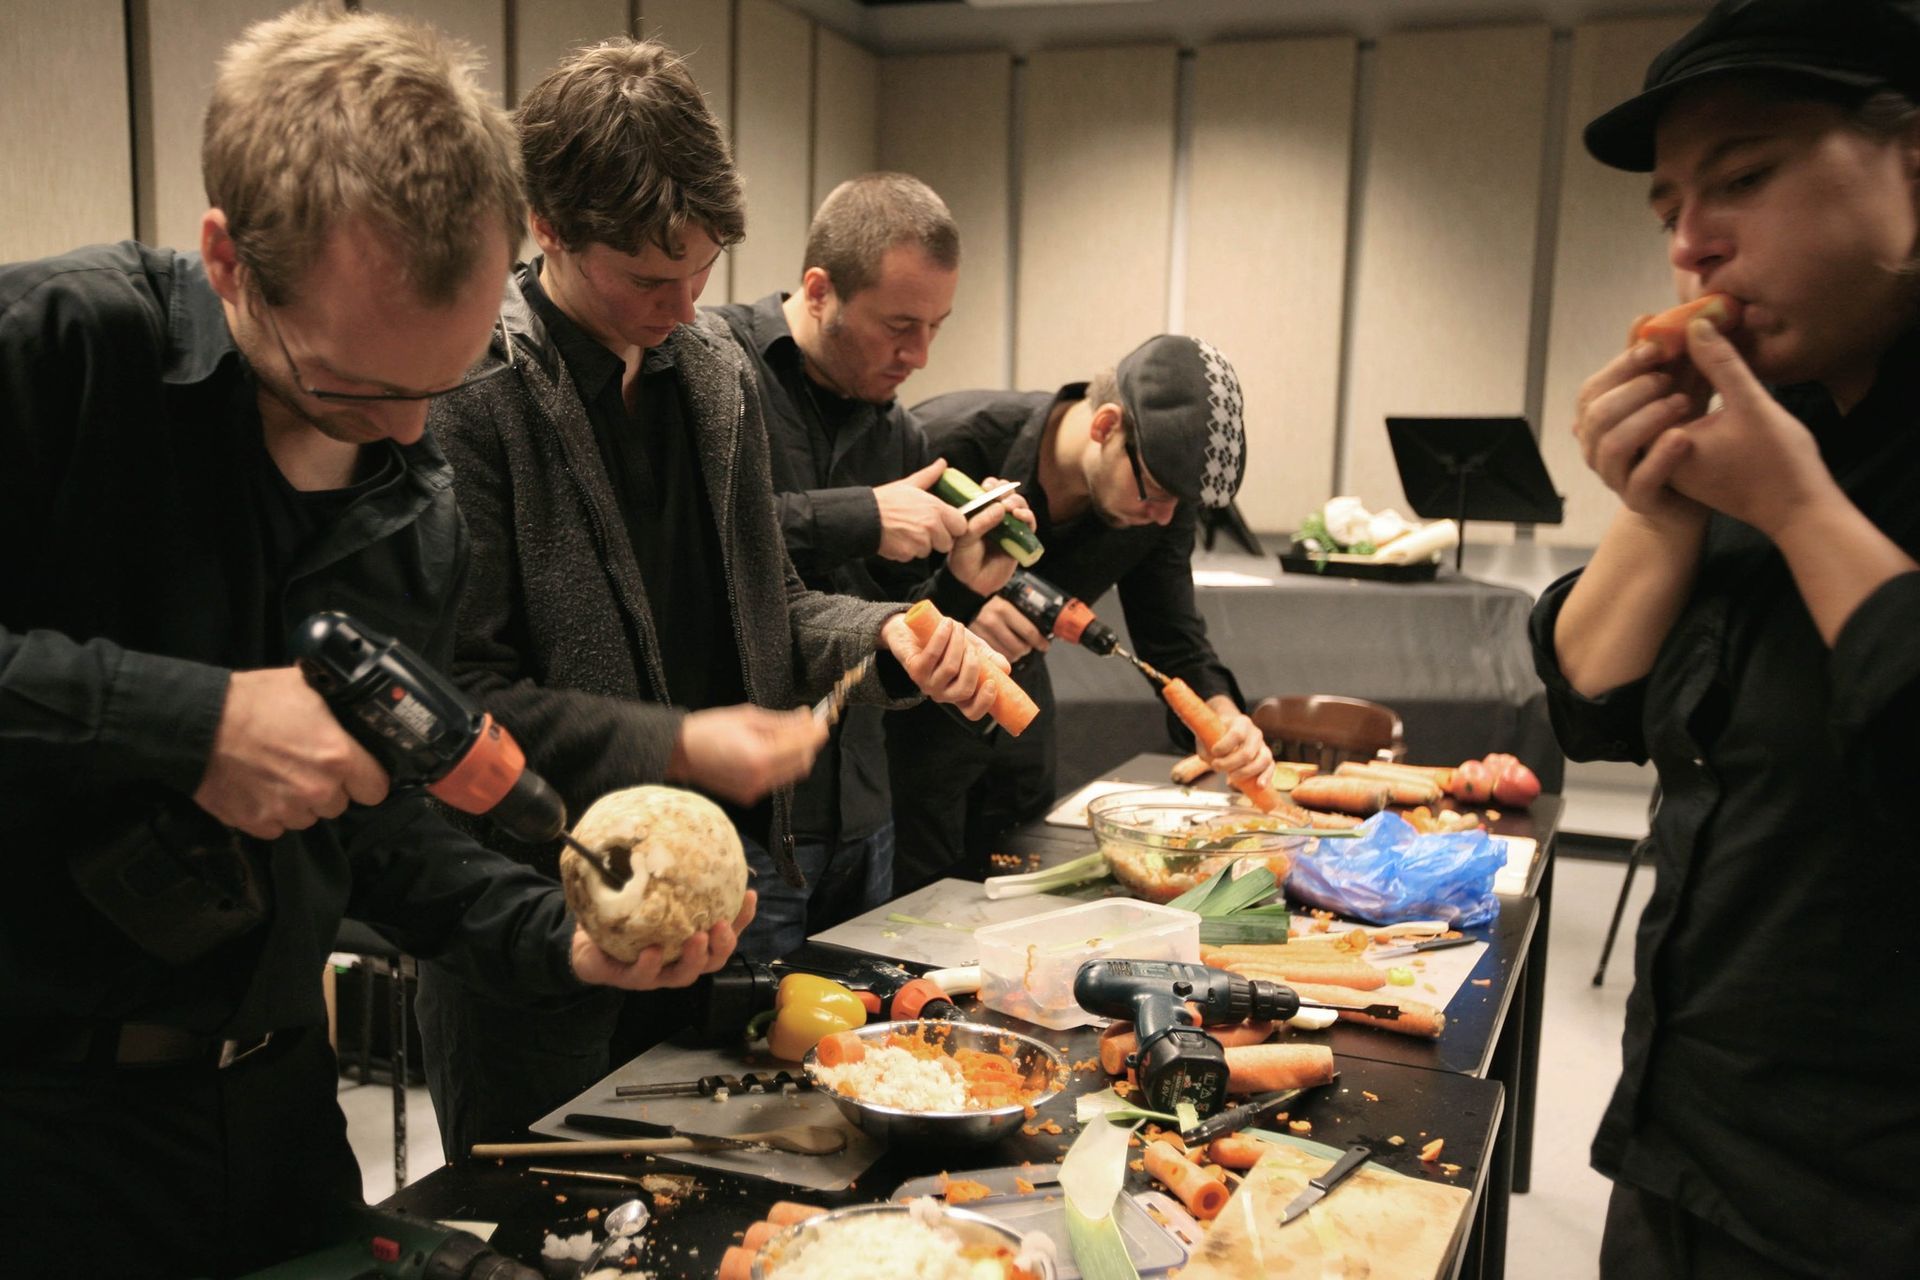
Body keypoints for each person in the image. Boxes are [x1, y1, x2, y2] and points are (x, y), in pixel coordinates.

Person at [0, 9, 741, 1276]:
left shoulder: (412, 494)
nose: (407, 438)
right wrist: (198, 724)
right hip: (43, 1138)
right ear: (229, 259)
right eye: (351, 386)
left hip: (279, 1119)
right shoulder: (58, 357)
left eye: (440, 386)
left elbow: (381, 829)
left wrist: (550, 934)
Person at [414, 40, 1004, 1157]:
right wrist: (681, 741)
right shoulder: (474, 397)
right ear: (547, 226)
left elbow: (767, 607)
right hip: (540, 924)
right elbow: (462, 700)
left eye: (704, 267)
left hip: (714, 915)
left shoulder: (716, 374)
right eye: (648, 277)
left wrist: (888, 638)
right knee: (537, 1223)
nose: (685, 303)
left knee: (702, 1207)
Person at [1537, 2, 1920, 1275]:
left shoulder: (1800, 468)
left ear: (1911, 165)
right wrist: (1661, 508)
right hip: (1684, 1146)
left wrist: (1801, 507)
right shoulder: (1771, 422)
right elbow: (1593, 700)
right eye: (1669, 209)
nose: (1694, 243)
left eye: (1746, 177)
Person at [708, 173, 1032, 934]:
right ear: (820, 291)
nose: (918, 355)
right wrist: (862, 515)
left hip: (862, 810)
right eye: (898, 325)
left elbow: (901, 635)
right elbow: (709, 542)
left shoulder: (900, 435)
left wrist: (961, 587)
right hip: (749, 818)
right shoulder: (714, 368)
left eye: (936, 327)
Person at [888, 335, 1277, 888]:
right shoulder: (950, 441)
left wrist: (1224, 718)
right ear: (1105, 428)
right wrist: (955, 608)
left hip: (1018, 730)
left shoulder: (1160, 503)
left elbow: (1172, 636)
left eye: (1178, 506)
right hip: (907, 740)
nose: (1165, 518)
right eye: (1156, 495)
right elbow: (848, 598)